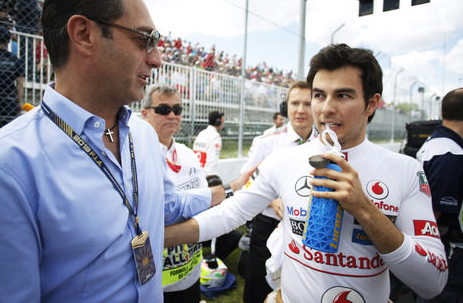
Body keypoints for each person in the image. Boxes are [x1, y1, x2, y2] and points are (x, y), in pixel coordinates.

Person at [0, 0, 218, 302]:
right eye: (144, 39)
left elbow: (164, 207)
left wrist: (228, 192)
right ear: (84, 34)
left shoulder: (142, 136)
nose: (156, 58)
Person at [165, 44, 448, 302]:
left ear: (371, 104)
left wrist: (365, 209)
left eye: (343, 95)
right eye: (319, 95)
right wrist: (157, 238)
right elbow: (229, 214)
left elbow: (432, 282)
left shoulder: (406, 170)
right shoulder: (283, 160)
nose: (326, 108)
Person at [141, 84, 225, 302]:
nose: (171, 115)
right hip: (154, 281)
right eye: (163, 109)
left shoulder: (189, 155)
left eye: (177, 110)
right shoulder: (136, 157)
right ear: (144, 114)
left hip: (190, 271)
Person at [240, 81, 317, 303]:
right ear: (286, 107)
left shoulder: (327, 144)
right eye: (295, 103)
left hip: (306, 230)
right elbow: (246, 182)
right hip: (267, 226)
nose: (301, 110)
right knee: (258, 287)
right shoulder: (267, 142)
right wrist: (272, 200)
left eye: (307, 103)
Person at [416, 87, 463, 303]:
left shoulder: (436, 143)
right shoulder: (450, 154)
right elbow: (433, 216)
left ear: (443, 113)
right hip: (447, 250)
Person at [6, 0, 39, 78]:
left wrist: (14, 11)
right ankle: (27, 73)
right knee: (25, 52)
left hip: (27, 27)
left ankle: (29, 74)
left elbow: (26, 10)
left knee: (26, 52)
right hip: (26, 26)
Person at [193, 110, 224, 175]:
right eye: (222, 121)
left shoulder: (201, 133)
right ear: (218, 122)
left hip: (195, 173)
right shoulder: (215, 137)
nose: (223, 123)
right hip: (205, 177)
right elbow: (212, 162)